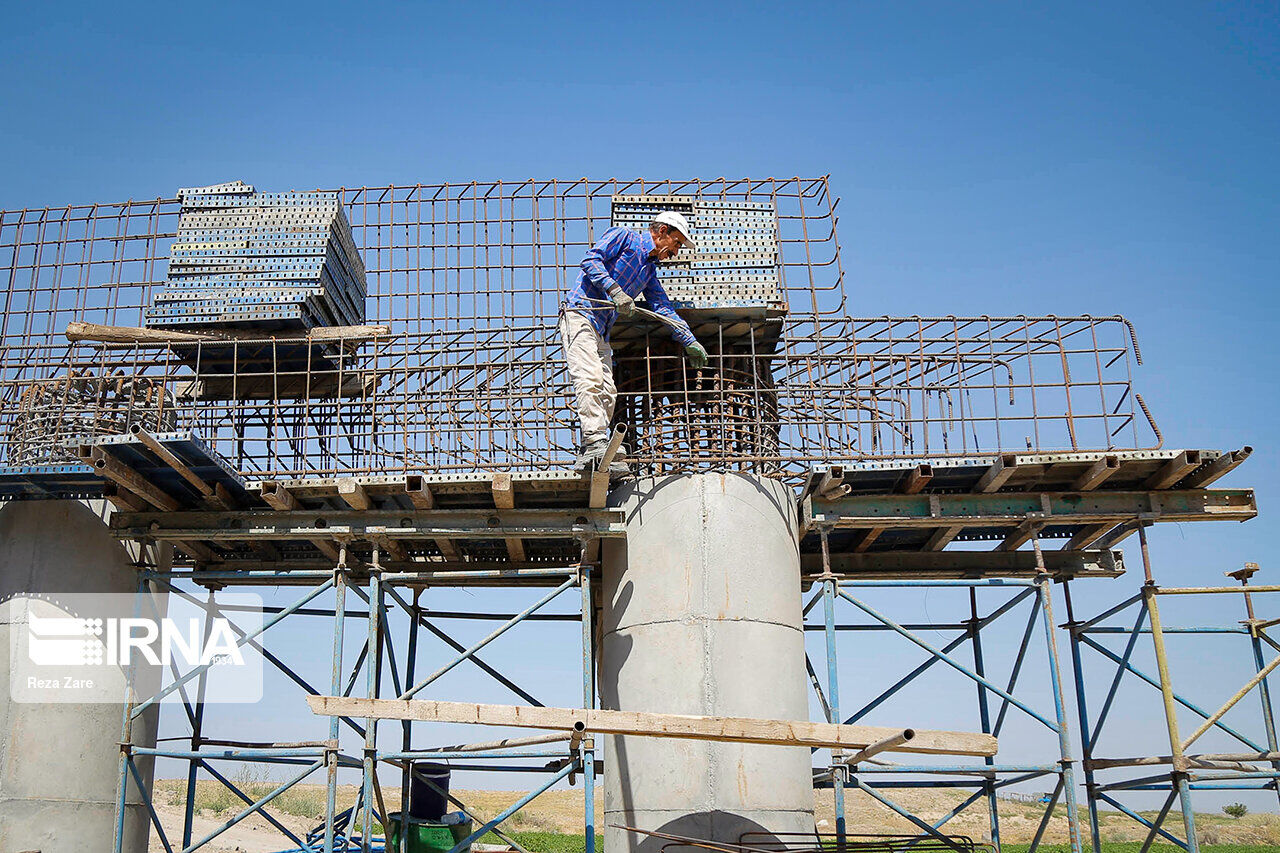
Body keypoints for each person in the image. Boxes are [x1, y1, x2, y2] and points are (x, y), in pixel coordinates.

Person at [560, 211, 709, 474]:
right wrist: (615, 290)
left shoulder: (648, 272)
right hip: (580, 314)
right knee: (590, 378)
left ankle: (593, 448)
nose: (674, 253)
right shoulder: (624, 237)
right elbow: (590, 260)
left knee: (608, 390)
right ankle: (595, 442)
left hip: (601, 328)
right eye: (675, 243)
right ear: (662, 231)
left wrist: (689, 340)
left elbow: (662, 307)